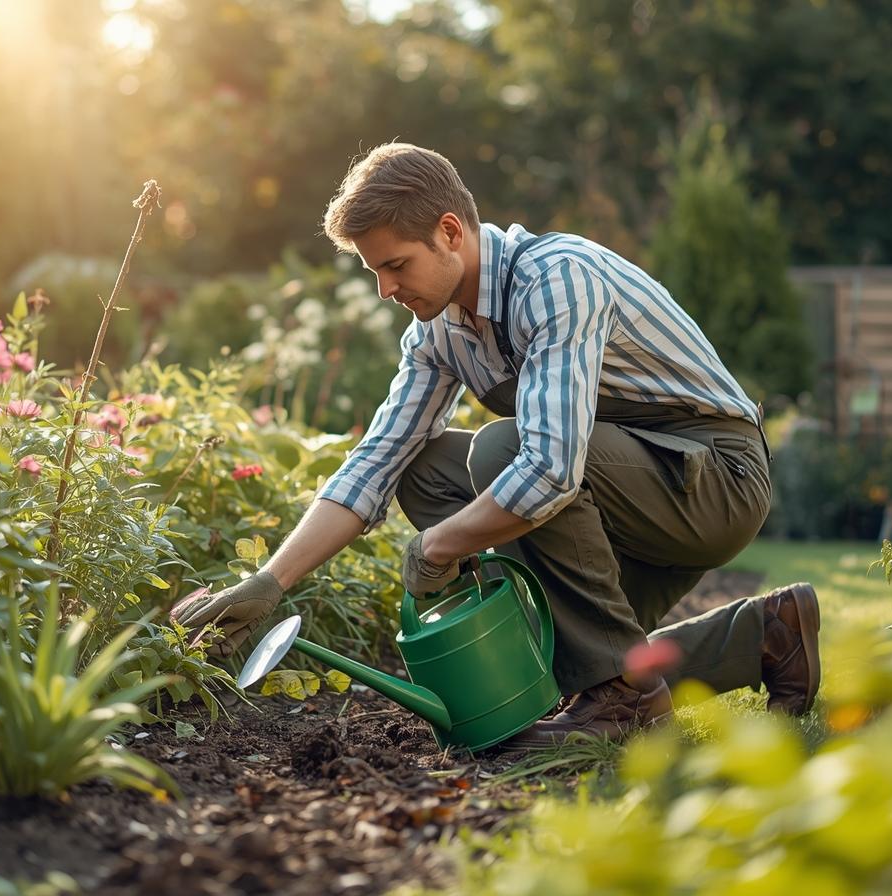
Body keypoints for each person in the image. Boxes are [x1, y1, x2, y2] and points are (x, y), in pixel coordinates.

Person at [172, 143, 819, 749]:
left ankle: (622, 696)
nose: (385, 290)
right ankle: (755, 638)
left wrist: (439, 544)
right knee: (423, 470)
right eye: (375, 272)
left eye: (396, 265)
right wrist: (271, 580)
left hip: (714, 481)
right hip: (633, 485)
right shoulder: (440, 332)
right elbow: (376, 460)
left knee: (505, 452)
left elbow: (548, 467)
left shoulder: (557, 278)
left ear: (451, 231)